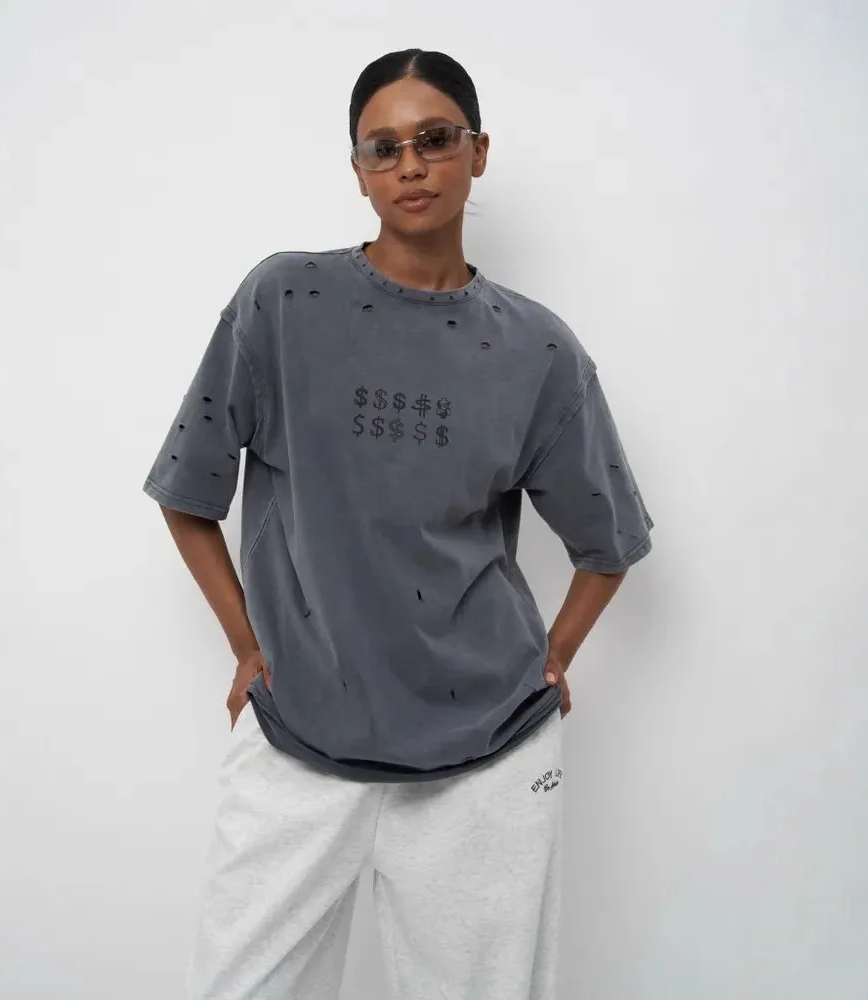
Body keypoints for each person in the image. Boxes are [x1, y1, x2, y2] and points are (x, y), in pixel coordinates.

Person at [142, 47, 654, 1000]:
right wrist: (248, 646)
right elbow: (188, 493)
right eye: (384, 148)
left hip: (486, 757)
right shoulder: (283, 302)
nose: (410, 165)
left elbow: (609, 543)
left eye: (435, 139)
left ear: (478, 152)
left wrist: (552, 659)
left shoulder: (538, 350)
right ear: (358, 170)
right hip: (297, 732)